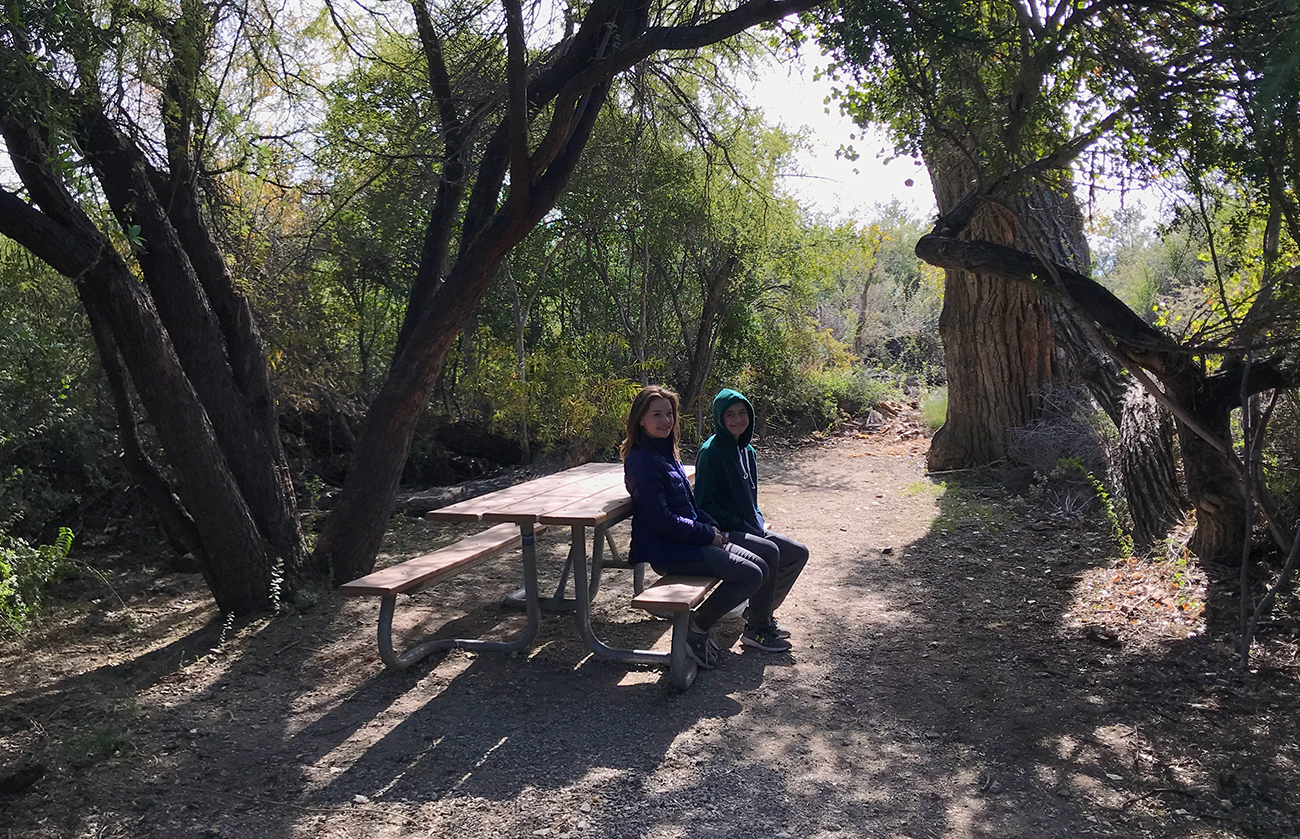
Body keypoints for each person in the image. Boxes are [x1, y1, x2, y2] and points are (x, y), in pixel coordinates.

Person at [621, 385, 775, 670]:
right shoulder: (642, 460)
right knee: (750, 574)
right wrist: (706, 534)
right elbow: (660, 519)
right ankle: (696, 629)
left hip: (688, 541)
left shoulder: (665, 451)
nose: (665, 421)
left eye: (669, 414)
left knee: (762, 566)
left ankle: (731, 627)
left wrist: (711, 526)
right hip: (669, 550)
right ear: (641, 419)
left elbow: (689, 506)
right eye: (657, 415)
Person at [694, 387, 808, 650]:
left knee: (797, 553)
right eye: (729, 415)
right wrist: (741, 525)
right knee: (769, 552)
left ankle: (760, 613)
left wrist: (756, 520)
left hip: (750, 527)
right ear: (719, 419)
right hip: (724, 532)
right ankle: (757, 629)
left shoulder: (748, 451)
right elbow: (704, 504)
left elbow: (751, 499)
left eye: (742, 413)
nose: (737, 420)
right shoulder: (711, 452)